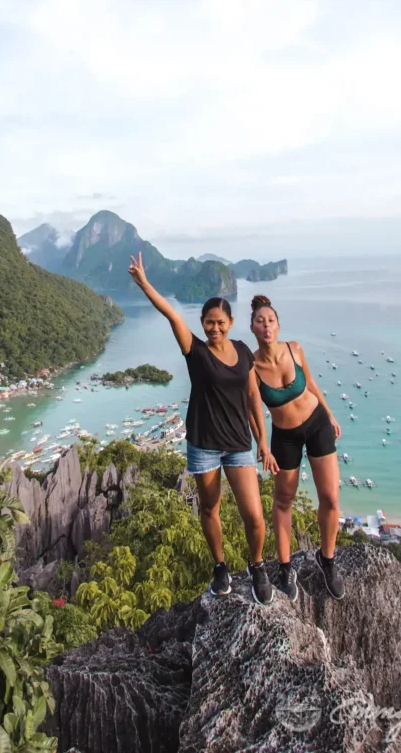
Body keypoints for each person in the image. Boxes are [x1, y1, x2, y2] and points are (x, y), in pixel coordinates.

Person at [128, 253, 277, 605]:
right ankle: (221, 566)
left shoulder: (243, 352)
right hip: (204, 445)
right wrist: (145, 284)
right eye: (208, 323)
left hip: (239, 443)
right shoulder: (194, 350)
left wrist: (263, 443)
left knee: (254, 516)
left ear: (230, 321)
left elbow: (254, 398)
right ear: (203, 323)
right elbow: (170, 313)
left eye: (220, 322)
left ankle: (257, 566)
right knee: (210, 508)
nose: (214, 328)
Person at [249, 295, 345, 601]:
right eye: (260, 321)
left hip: (316, 423)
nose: (266, 325)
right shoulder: (251, 368)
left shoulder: (295, 348)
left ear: (278, 325)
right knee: (283, 501)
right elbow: (254, 410)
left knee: (330, 497)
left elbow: (311, 383)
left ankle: (327, 560)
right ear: (252, 327)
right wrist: (263, 445)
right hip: (285, 437)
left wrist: (330, 415)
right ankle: (285, 566)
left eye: (271, 320)